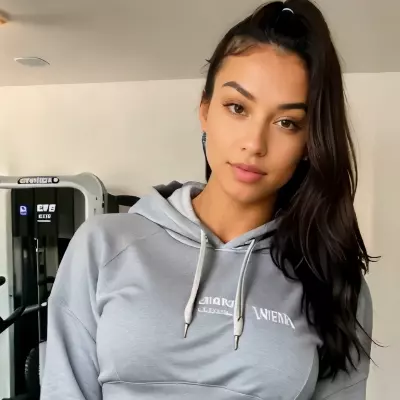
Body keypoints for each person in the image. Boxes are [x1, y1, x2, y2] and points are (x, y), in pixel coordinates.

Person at [40, 0, 373, 399]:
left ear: (309, 142)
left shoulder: (332, 281)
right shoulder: (103, 245)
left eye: (287, 122)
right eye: (237, 107)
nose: (254, 143)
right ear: (205, 110)